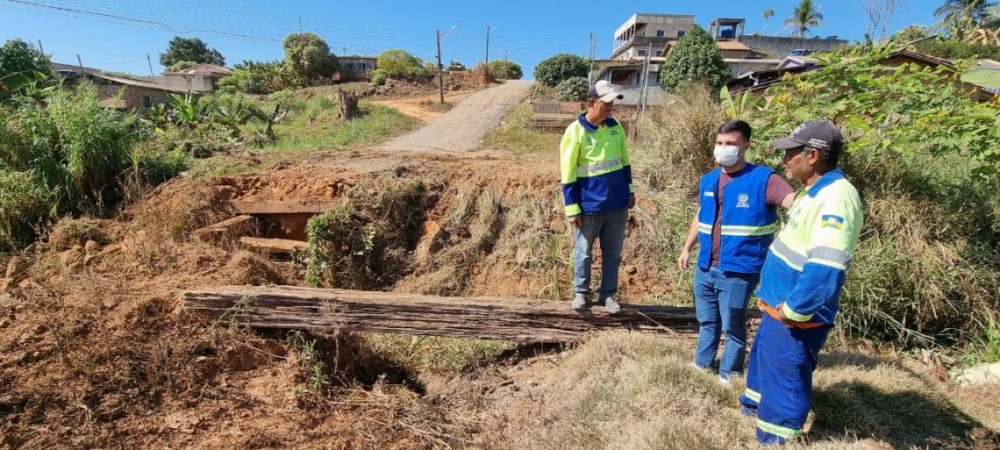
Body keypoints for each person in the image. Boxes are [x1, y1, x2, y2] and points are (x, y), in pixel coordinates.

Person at [738, 120, 863, 445]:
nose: (783, 159)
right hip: (777, 305)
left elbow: (826, 267)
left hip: (794, 316)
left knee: (786, 377)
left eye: (789, 152)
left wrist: (796, 310)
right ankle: (752, 411)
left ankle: (775, 438)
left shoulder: (836, 199)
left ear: (812, 155)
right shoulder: (814, 192)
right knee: (766, 362)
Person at [678, 120, 796, 386]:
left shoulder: (764, 180)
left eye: (730, 143)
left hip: (739, 269)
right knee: (707, 321)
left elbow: (795, 204)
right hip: (706, 266)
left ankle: (729, 373)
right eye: (720, 143)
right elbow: (701, 216)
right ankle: (702, 363)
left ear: (746, 145)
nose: (723, 149)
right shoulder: (708, 180)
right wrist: (687, 248)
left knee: (733, 325)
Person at [560, 80, 635, 314]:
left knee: (612, 254)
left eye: (613, 101)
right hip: (589, 206)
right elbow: (568, 172)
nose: (611, 106)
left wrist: (630, 190)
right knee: (584, 252)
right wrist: (572, 208)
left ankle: (608, 295)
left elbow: (624, 162)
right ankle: (581, 292)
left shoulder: (616, 127)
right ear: (592, 103)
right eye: (606, 102)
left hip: (617, 204)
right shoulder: (576, 131)